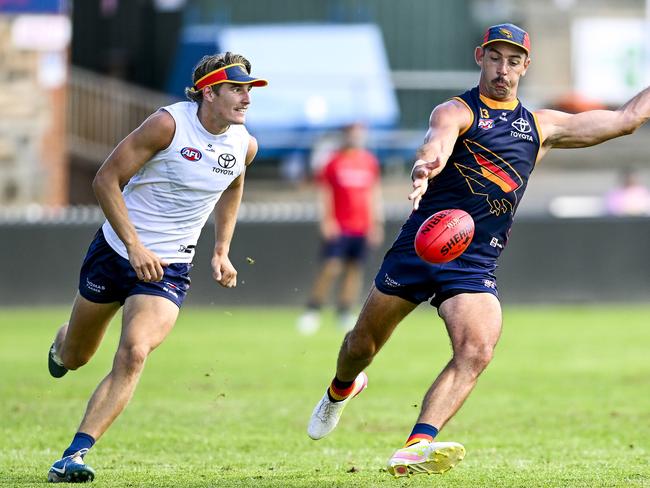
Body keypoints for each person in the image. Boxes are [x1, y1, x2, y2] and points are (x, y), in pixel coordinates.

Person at [307, 23, 650, 477]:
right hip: (420, 246)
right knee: (361, 345)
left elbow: (626, 119)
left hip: (473, 260)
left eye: (512, 60)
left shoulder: (541, 127)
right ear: (480, 57)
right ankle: (340, 389)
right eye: (494, 58)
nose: (501, 69)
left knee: (478, 349)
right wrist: (427, 162)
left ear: (525, 66)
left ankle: (415, 446)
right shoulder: (457, 109)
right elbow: (439, 138)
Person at [46, 52, 267, 483]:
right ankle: (61, 345)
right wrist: (134, 245)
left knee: (134, 352)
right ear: (209, 92)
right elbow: (105, 179)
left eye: (249, 91)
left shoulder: (245, 144)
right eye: (237, 90)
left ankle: (73, 455)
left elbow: (233, 184)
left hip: (170, 267)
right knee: (76, 355)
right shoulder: (168, 124)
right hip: (114, 253)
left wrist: (221, 250)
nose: (246, 99)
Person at [297, 123, 384, 334]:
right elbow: (324, 192)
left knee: (355, 269)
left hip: (362, 226)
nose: (356, 137)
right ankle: (313, 309)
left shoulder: (369, 162)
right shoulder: (333, 162)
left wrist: (376, 223)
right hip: (340, 224)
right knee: (331, 266)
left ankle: (344, 311)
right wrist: (327, 219)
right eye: (352, 133)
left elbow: (374, 194)